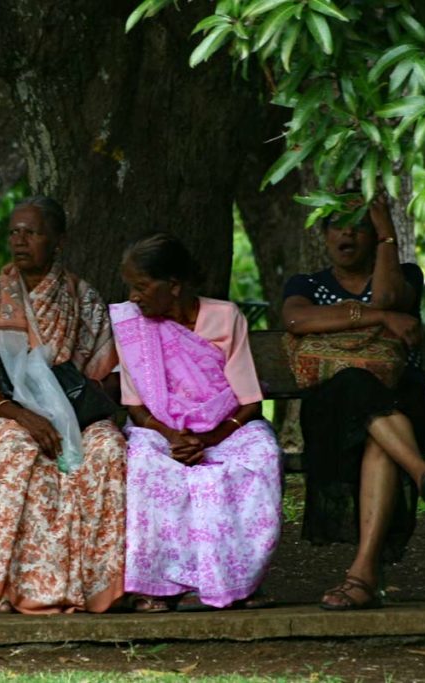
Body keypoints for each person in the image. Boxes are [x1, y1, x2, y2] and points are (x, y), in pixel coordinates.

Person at [282, 196, 425, 611]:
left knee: (379, 435)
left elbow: (386, 297)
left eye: (361, 225)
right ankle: (422, 472)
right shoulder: (305, 284)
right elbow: (296, 320)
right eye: (338, 225)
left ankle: (360, 577)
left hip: (401, 402)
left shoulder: (405, 276)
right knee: (355, 386)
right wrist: (379, 320)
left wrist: (387, 234)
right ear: (325, 235)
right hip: (334, 412)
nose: (348, 233)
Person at [0, 196, 126, 614]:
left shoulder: (82, 298)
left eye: (31, 232)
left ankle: (98, 587)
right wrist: (27, 417)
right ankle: (8, 588)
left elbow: (106, 375)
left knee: (108, 447)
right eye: (14, 232)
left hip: (74, 416)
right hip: (7, 414)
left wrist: (69, 418)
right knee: (19, 450)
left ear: (57, 241)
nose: (19, 240)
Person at [111, 233, 283, 612]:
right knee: (142, 462)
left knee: (262, 455)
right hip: (161, 432)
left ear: (173, 286)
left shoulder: (225, 317)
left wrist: (208, 441)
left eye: (142, 286)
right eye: (130, 287)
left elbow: (249, 401)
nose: (134, 297)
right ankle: (159, 586)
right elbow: (136, 407)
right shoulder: (132, 326)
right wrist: (175, 438)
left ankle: (232, 581)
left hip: (226, 429)